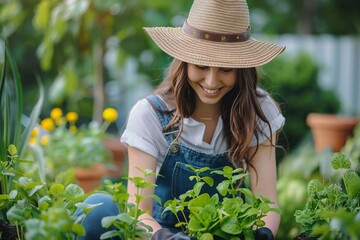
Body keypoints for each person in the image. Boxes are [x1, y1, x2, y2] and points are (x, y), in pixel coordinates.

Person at [76, 0, 285, 239]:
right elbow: (138, 214)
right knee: (98, 207)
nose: (211, 81)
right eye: (201, 66)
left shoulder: (258, 111)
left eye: (226, 69)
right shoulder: (150, 116)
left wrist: (263, 234)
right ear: (184, 61)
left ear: (242, 69)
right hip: (157, 236)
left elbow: (267, 205)